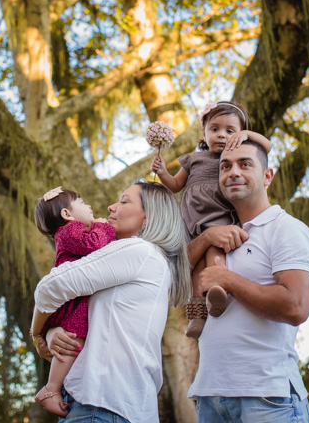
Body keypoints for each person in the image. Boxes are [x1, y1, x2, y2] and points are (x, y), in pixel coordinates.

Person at [32, 181, 192, 423]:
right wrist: (55, 330)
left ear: (148, 217)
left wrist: (37, 333)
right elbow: (85, 313)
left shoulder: (138, 251)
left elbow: (50, 287)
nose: (110, 207)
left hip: (101, 405)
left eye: (124, 201)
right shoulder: (140, 258)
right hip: (110, 405)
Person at [187, 140, 309, 423]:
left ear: (267, 176)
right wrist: (207, 237)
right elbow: (170, 272)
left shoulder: (287, 229)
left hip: (268, 398)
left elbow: (296, 307)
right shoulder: (218, 236)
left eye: (245, 164)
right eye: (225, 167)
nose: (233, 172)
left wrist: (228, 280)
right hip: (210, 397)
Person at [151, 101, 272, 338]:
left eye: (230, 131)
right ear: (204, 133)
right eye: (214, 129)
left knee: (213, 251)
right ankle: (197, 313)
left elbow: (266, 146)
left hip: (218, 216)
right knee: (196, 266)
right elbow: (175, 185)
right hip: (191, 219)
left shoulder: (230, 161)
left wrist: (247, 135)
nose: (221, 135)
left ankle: (218, 288)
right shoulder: (194, 159)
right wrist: (163, 172)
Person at [30, 186, 117, 417]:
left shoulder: (70, 231)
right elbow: (93, 245)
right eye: (82, 202)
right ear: (67, 215)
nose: (89, 207)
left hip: (72, 300)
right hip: (72, 303)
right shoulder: (71, 230)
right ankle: (51, 388)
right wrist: (103, 226)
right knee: (72, 339)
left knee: (72, 339)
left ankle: (53, 387)